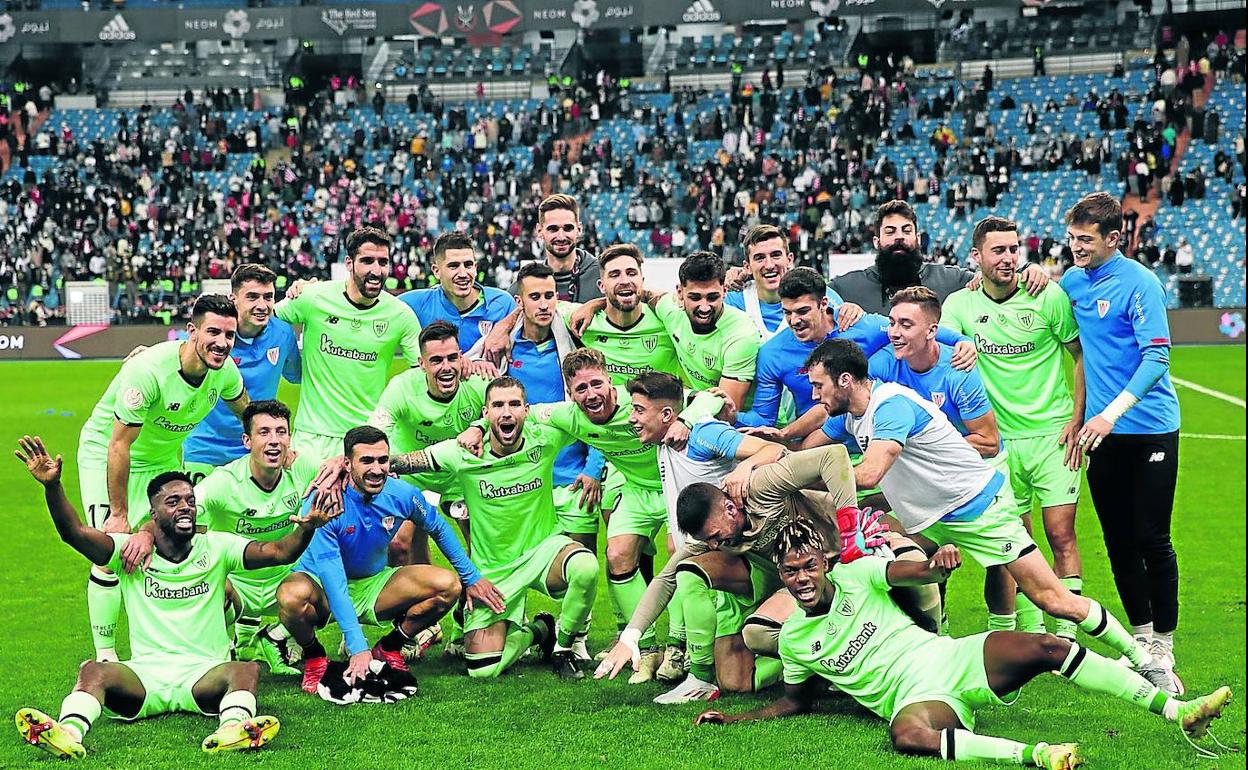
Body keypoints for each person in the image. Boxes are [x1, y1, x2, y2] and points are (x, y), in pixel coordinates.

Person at [693, 520, 1232, 768]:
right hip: (916, 697)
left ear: (825, 562)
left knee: (1045, 645)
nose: (801, 577)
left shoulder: (859, 576)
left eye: (809, 565)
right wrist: (736, 719)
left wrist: (938, 563)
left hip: (949, 657)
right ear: (783, 576)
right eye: (791, 571)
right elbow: (795, 701)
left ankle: (1178, 711)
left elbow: (913, 571)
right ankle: (1039, 757)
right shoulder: (794, 638)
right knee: (907, 736)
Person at [805, 338, 1166, 686]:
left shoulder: (890, 407)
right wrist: (780, 458)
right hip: (931, 518)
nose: (814, 395)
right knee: (868, 563)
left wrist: (797, 477)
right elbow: (808, 452)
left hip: (979, 511)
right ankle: (904, 658)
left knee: (1053, 599)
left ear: (845, 380)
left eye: (819, 385)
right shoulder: (851, 414)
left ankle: (1145, 662)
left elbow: (869, 475)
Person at [14, 438, 332, 759]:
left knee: (245, 670)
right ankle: (68, 732)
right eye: (173, 501)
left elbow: (278, 552)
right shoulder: (129, 551)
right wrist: (52, 487)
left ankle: (231, 729)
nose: (185, 507)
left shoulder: (217, 547)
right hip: (145, 675)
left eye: (190, 500)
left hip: (205, 674)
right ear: (153, 513)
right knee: (93, 671)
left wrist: (307, 528)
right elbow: (74, 534)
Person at [456, 350, 724, 681]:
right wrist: (477, 427)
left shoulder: (638, 400)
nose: (591, 394)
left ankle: (678, 646)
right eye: (580, 389)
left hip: (676, 485)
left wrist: (686, 420)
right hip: (637, 488)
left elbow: (709, 397)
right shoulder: (569, 415)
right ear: (570, 393)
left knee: (677, 553)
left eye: (597, 383)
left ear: (610, 381)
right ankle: (646, 648)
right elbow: (515, 412)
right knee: (617, 554)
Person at [389, 377, 600, 680]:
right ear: (486, 413)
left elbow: (589, 417)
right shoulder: (463, 452)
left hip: (543, 551)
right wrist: (352, 464)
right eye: (498, 405)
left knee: (586, 567)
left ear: (526, 410)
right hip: (493, 570)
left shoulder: (545, 438)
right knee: (482, 670)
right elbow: (406, 462)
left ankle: (563, 648)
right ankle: (540, 630)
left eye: (514, 404)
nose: (507, 412)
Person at [75, 294, 249, 662]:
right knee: (110, 552)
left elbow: (246, 411)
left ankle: (217, 642)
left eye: (229, 335)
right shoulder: (150, 372)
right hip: (106, 455)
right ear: (191, 331)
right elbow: (119, 445)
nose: (222, 342)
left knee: (193, 549)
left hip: (164, 460)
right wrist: (119, 514)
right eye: (213, 332)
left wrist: (270, 439)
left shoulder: (225, 373)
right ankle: (105, 656)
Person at [1060, 192, 1183, 694]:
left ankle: (1165, 647)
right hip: (1101, 435)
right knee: (1117, 541)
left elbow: (1157, 359)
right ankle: (1142, 641)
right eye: (1072, 238)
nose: (1076, 247)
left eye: (1085, 240)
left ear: (1114, 238)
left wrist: (1109, 414)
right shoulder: (1071, 282)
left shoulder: (1141, 283)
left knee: (1152, 538)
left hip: (1150, 428)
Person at [944, 216, 1086, 639]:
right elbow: (942, 356)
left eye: (1013, 249)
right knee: (1014, 540)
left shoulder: (1047, 296)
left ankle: (1066, 635)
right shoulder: (960, 306)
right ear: (977, 256)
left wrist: (1077, 418)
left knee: (1061, 534)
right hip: (999, 444)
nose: (1008, 258)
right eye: (998, 250)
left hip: (1054, 436)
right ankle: (1029, 632)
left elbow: (1080, 355)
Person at [278, 426, 500, 694]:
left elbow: (439, 527)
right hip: (321, 587)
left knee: (448, 585)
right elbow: (332, 576)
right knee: (291, 595)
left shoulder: (402, 494)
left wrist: (471, 577)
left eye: (382, 460)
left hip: (373, 585)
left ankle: (389, 647)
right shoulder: (324, 502)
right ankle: (314, 656)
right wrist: (357, 647)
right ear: (347, 464)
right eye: (366, 461)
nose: (377, 469)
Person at [738, 268, 975, 434]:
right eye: (787, 312)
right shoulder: (772, 353)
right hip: (817, 439)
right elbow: (764, 418)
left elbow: (912, 329)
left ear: (824, 304)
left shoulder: (862, 327)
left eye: (802, 311)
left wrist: (961, 340)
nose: (794, 321)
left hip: (873, 436)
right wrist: (730, 417)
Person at [274, 226, 423, 466]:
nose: (376, 270)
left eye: (383, 262)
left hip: (366, 438)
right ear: (349, 263)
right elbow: (266, 321)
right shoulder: (314, 297)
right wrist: (288, 363)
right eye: (367, 261)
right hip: (311, 438)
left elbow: (423, 372)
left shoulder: (400, 315)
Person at [192, 400, 317, 673]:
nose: (274, 441)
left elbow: (345, 475)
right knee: (204, 588)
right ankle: (218, 650)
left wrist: (338, 464)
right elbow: (184, 511)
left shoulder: (302, 468)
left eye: (281, 432)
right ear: (247, 441)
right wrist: (147, 534)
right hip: (236, 585)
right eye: (264, 432)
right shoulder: (224, 482)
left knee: (330, 590)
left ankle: (275, 637)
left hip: (284, 581)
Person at [504, 262, 605, 555]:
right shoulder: (502, 352)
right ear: (519, 302)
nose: (544, 304)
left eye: (549, 296)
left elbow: (597, 412)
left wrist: (594, 468)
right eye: (535, 297)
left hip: (574, 478)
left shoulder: (576, 348)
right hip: (526, 480)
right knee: (525, 566)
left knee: (583, 568)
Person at [182, 264, 301, 482]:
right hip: (203, 449)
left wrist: (309, 288)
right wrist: (146, 354)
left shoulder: (283, 333)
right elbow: (176, 355)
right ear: (233, 299)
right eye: (252, 297)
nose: (262, 305)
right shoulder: (215, 335)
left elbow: (298, 375)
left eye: (268, 297)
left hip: (255, 450)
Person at [830, 201, 1050, 315]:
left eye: (906, 230)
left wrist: (1030, 269)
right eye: (890, 232)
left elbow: (996, 277)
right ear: (876, 241)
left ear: (917, 239)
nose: (899, 237)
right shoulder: (849, 287)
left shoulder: (950, 280)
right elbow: (814, 297)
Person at [399, 231, 516, 358]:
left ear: (475, 268)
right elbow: (384, 309)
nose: (463, 274)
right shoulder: (416, 303)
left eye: (468, 265)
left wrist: (506, 326)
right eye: (453, 266)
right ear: (436, 271)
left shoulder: (503, 303)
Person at [724, 224, 852, 340]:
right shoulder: (732, 301)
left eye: (776, 255)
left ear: (789, 260)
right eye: (760, 258)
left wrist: (853, 311)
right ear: (747, 267)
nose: (769, 265)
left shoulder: (820, 294)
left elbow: (848, 327)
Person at [513, 193, 601, 302]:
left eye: (568, 228)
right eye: (553, 229)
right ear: (539, 231)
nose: (561, 236)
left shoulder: (602, 274)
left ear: (579, 229)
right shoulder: (526, 284)